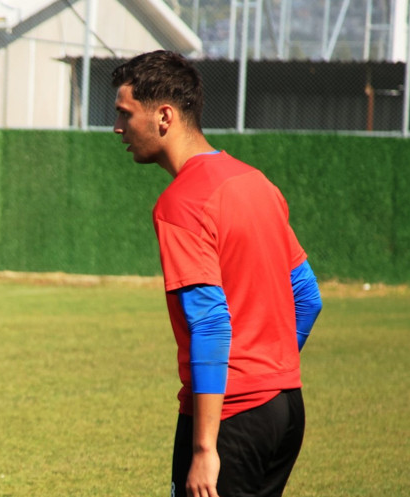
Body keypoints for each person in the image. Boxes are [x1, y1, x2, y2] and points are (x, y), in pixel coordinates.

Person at [111, 50, 322, 497]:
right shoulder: (255, 182)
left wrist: (205, 449)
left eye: (125, 114)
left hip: (231, 419)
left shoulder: (181, 202)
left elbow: (209, 322)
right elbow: (307, 296)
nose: (118, 128)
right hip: (284, 408)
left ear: (163, 116)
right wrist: (270, 372)